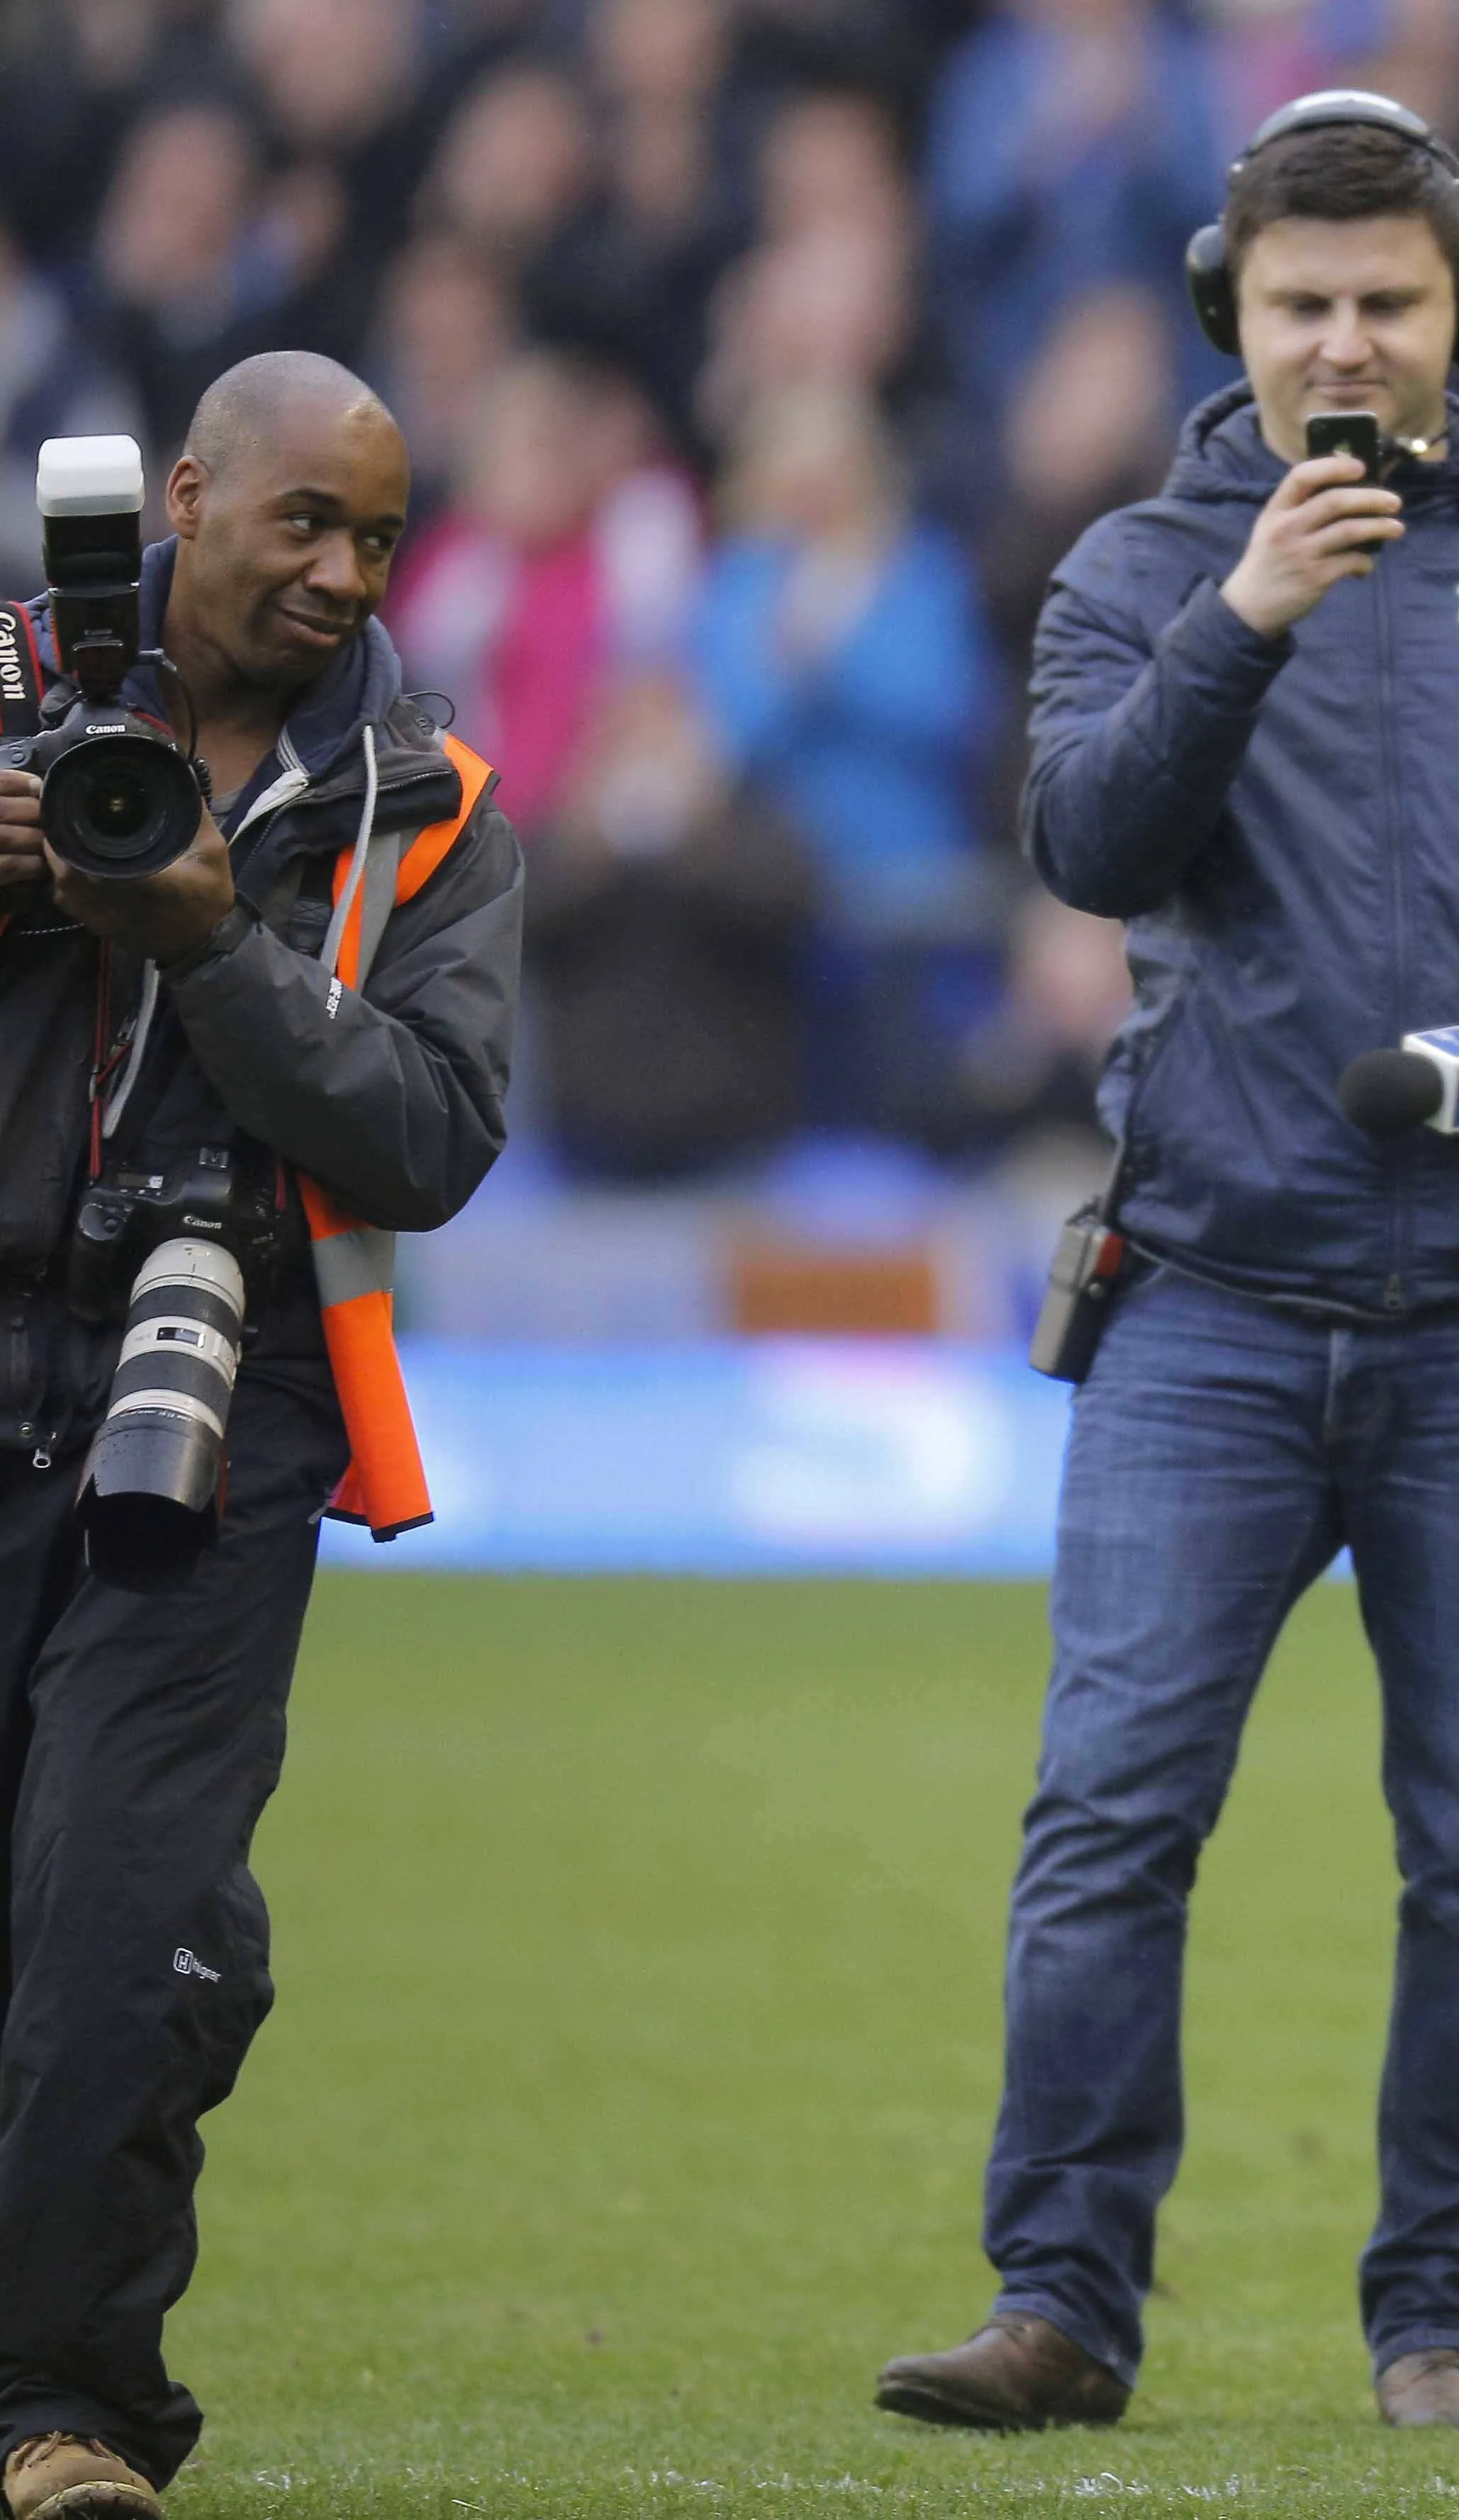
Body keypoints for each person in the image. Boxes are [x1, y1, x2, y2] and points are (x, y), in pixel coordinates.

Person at [871, 92, 1459, 2438]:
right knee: (1110, 1809)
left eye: (1387, 302)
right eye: (1299, 307)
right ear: (1224, 319)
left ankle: (1436, 2324)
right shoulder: (1145, 565)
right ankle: (1060, 2302)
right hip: (1212, 1295)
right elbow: (1085, 840)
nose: (1344, 347)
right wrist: (1250, 610)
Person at [0, 352, 520, 2520]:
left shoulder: (430, 800)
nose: (340, 573)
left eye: (379, 541)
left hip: (221, 1391)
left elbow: (431, 1134)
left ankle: (60, 2411)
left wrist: (215, 941)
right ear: (181, 497)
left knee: (124, 1921)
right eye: (299, 523)